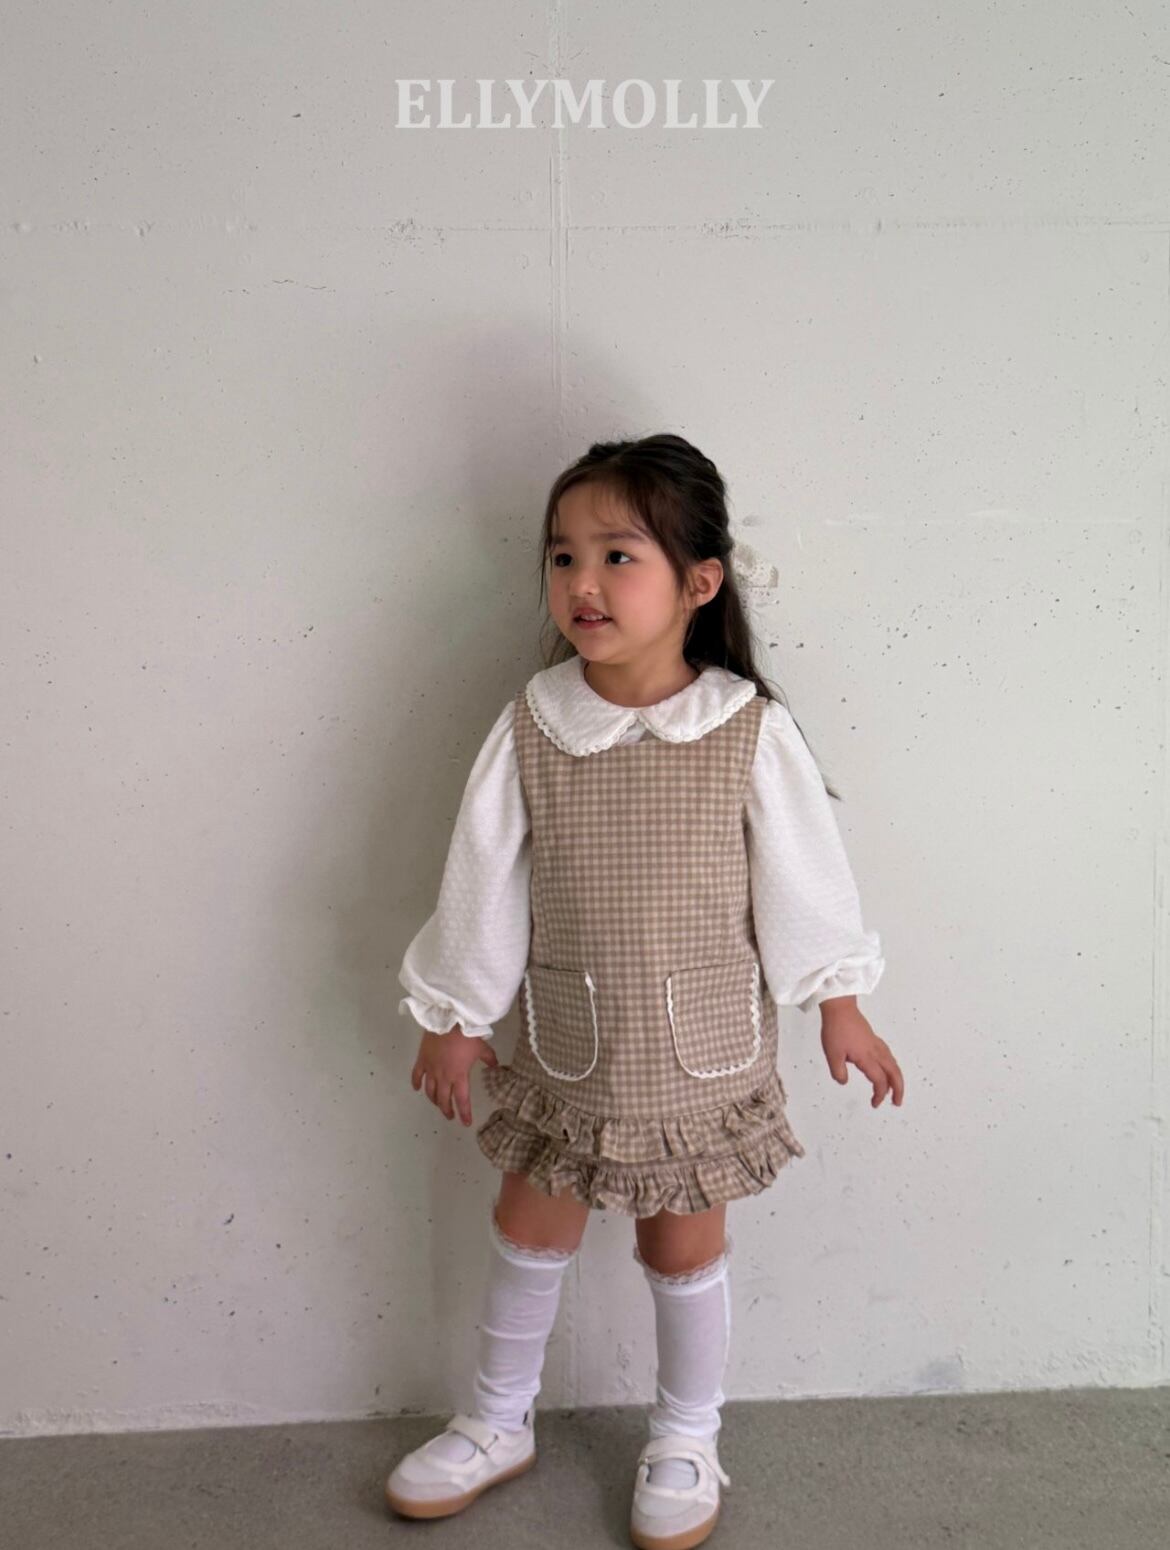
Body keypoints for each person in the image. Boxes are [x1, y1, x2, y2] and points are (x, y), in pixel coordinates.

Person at [385, 433, 904, 1548]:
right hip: (568, 1045)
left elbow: (804, 878)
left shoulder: (745, 728)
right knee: (527, 1225)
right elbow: (483, 876)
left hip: (699, 1058)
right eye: (563, 555)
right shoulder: (534, 723)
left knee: (682, 1247)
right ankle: (497, 1418)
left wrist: (839, 1001)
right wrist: (456, 1013)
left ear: (699, 582)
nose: (584, 581)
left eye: (618, 555)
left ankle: (685, 1433)